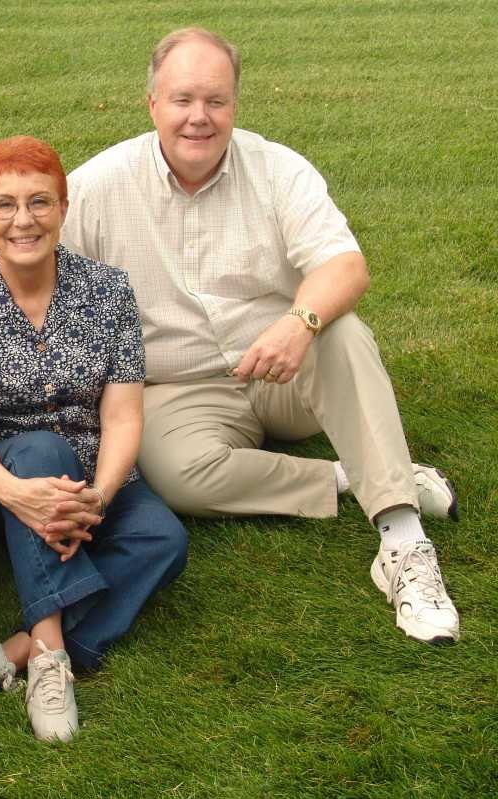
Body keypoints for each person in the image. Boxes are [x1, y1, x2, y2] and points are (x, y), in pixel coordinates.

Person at [61, 27, 461, 644]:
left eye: (215, 100)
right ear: (152, 104)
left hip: (287, 370)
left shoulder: (278, 169)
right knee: (175, 474)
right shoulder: (97, 186)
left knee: (343, 333)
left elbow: (345, 266)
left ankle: (403, 538)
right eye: (182, 99)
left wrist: (300, 323)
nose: (199, 117)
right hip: (181, 390)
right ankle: (356, 475)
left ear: (235, 104)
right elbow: (25, 267)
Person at [0, 136, 188, 743]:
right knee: (42, 450)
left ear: (64, 208)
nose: (24, 220)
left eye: (40, 202)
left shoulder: (109, 292)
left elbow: (122, 418)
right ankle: (49, 659)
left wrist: (99, 495)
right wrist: (18, 495)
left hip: (96, 472)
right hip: (1, 483)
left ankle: (11, 651)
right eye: (5, 204)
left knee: (163, 540)